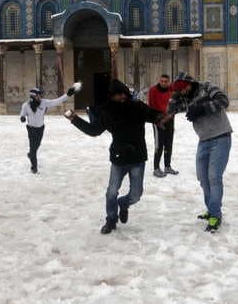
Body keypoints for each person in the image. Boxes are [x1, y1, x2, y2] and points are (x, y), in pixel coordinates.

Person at [66, 80, 164, 234]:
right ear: (112, 96)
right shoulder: (107, 111)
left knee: (136, 195)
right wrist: (75, 119)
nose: (122, 97)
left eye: (124, 93)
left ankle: (123, 204)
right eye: (118, 94)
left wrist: (161, 118)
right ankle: (111, 219)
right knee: (111, 192)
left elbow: (152, 114)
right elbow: (94, 131)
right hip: (119, 158)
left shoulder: (136, 106)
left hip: (138, 157)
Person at [165, 71, 232, 233]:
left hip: (221, 137)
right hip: (203, 140)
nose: (183, 92)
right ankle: (211, 209)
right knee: (203, 178)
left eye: (184, 88)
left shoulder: (207, 87)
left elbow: (224, 100)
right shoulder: (185, 98)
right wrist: (174, 95)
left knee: (214, 177)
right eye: (179, 90)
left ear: (191, 83)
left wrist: (202, 109)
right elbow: (171, 109)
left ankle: (215, 214)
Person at [19, 83, 80, 173]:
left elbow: (57, 101)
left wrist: (68, 94)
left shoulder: (44, 102)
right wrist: (22, 118)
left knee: (37, 145)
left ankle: (31, 154)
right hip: (31, 129)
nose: (40, 97)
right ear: (33, 96)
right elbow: (22, 114)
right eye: (39, 95)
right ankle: (34, 168)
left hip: (40, 128)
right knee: (33, 148)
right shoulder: (26, 105)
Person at [147, 74, 178, 178]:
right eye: (162, 81)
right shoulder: (153, 90)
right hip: (158, 120)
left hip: (170, 119)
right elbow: (151, 106)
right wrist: (159, 119)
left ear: (169, 82)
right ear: (159, 81)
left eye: (166, 81)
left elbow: (175, 104)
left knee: (168, 143)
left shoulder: (172, 90)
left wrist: (170, 116)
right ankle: (156, 168)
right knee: (159, 144)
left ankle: (167, 166)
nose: (164, 83)